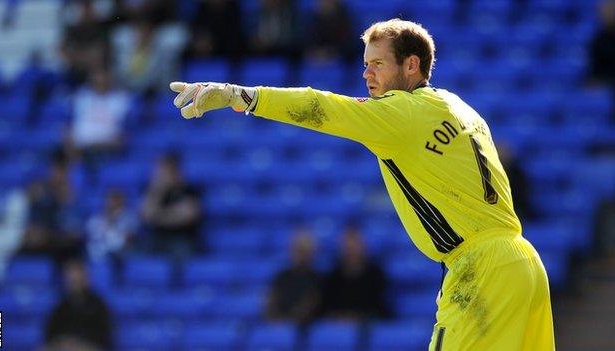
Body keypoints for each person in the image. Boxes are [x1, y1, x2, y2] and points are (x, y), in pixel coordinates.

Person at [169, 18, 555, 351]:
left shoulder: (401, 112)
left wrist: (243, 96)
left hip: (480, 269)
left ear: (411, 65)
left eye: (377, 64)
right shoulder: (458, 106)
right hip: (524, 264)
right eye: (365, 65)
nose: (367, 74)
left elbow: (321, 107)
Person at [141, 153, 202, 258]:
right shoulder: (153, 192)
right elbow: (146, 216)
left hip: (181, 239)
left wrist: (158, 216)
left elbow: (187, 217)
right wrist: (158, 192)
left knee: (181, 252)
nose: (161, 176)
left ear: (176, 172)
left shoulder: (189, 191)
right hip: (157, 238)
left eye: (165, 172)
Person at [322, 225, 389, 321]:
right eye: (348, 248)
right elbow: (327, 306)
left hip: (369, 322)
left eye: (354, 247)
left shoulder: (375, 274)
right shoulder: (333, 275)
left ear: (363, 247)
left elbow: (380, 304)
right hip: (339, 324)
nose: (351, 252)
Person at [44, 259, 112, 350]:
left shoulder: (98, 305)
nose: (73, 280)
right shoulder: (61, 306)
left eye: (77, 276)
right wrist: (63, 341)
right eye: (70, 277)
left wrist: (78, 343)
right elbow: (50, 334)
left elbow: (105, 336)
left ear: (85, 277)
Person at [266, 229, 322, 325]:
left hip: (304, 327)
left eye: (304, 251)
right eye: (297, 250)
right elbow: (271, 302)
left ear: (312, 253)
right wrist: (276, 318)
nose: (300, 254)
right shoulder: (281, 277)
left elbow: (310, 305)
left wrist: (291, 321)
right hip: (279, 324)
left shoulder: (317, 280)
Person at [86, 189, 138, 262]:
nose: (113, 204)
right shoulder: (95, 220)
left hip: (120, 255)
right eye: (111, 200)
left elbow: (127, 240)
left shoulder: (130, 218)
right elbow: (93, 239)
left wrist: (113, 223)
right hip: (99, 253)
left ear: (122, 202)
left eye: (116, 200)